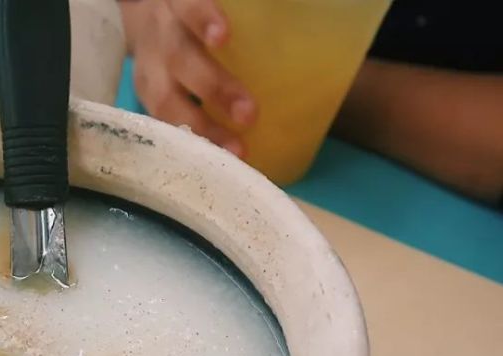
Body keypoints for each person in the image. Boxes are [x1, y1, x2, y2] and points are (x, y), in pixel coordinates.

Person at [120, 0, 503, 205]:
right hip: (161, 144)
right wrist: (152, 24)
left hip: (417, 217)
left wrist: (320, 82)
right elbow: (127, 12)